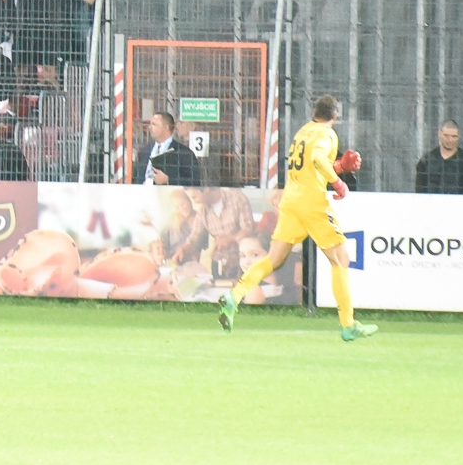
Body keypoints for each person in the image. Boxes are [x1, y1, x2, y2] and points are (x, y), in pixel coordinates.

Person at [218, 94, 375, 340]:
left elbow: (311, 164)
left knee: (274, 258)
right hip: (312, 203)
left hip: (291, 201)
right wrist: (338, 182)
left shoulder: (303, 132)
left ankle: (235, 295)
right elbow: (318, 159)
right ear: (335, 115)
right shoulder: (327, 134)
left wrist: (339, 166)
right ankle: (348, 325)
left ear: (314, 113)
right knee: (341, 259)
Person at [415, 121, 463, 195]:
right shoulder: (427, 160)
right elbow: (420, 192)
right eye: (446, 136)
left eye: (454, 136)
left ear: (459, 136)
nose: (450, 140)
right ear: (439, 134)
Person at [138, 110, 200, 186]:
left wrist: (168, 180)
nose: (150, 127)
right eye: (150, 124)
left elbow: (194, 182)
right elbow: (136, 178)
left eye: (154, 124)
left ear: (166, 127)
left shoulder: (183, 153)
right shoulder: (144, 151)